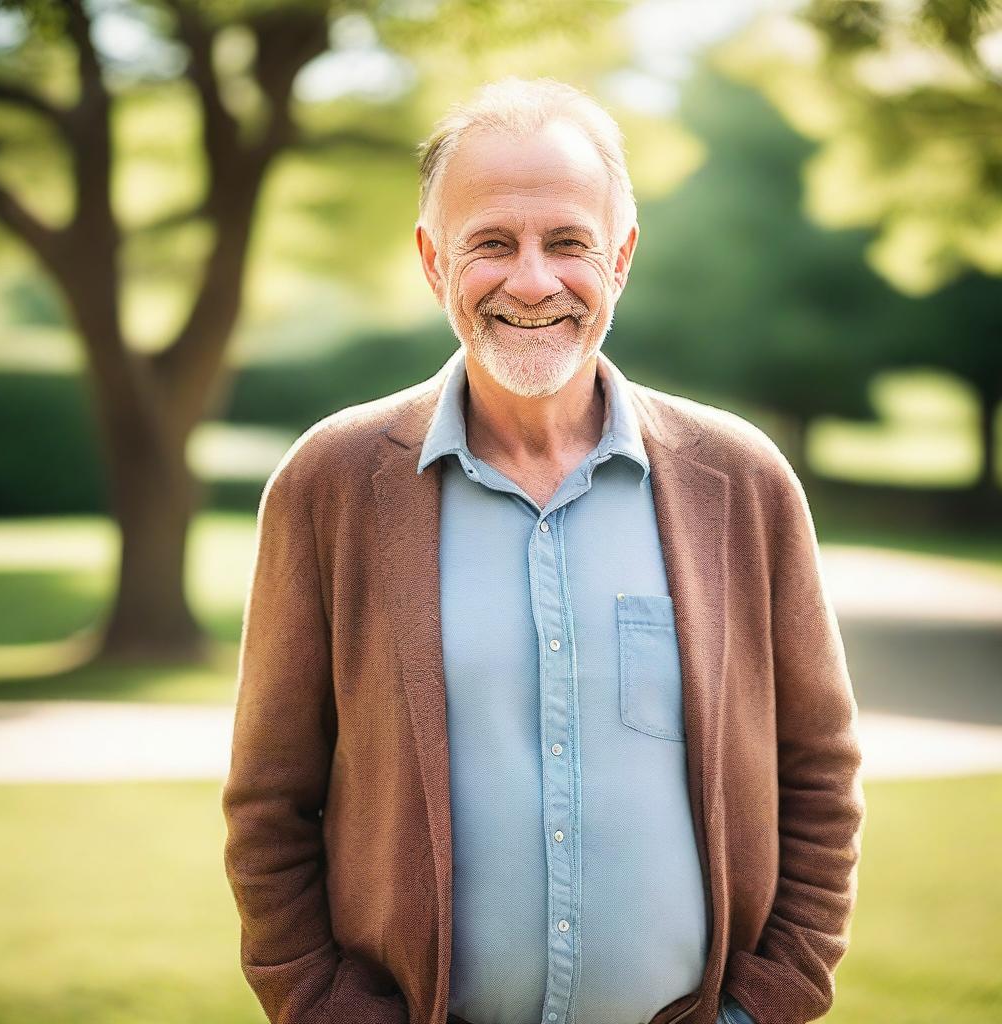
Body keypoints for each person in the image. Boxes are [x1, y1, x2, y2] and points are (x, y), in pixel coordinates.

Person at [221, 77, 866, 1024]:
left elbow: (819, 774)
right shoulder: (332, 484)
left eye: (569, 242)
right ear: (435, 262)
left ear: (623, 258)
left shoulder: (743, 482)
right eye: (492, 243)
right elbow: (270, 809)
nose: (533, 281)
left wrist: (766, 1005)